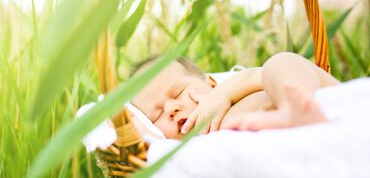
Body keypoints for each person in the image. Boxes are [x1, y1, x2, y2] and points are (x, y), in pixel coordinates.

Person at [131, 52, 340, 139]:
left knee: (279, 62)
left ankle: (295, 106)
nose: (170, 109)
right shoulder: (192, 149)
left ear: (210, 82)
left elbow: (256, 76)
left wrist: (225, 93)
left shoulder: (233, 93)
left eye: (179, 92)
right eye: (155, 115)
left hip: (318, 103)